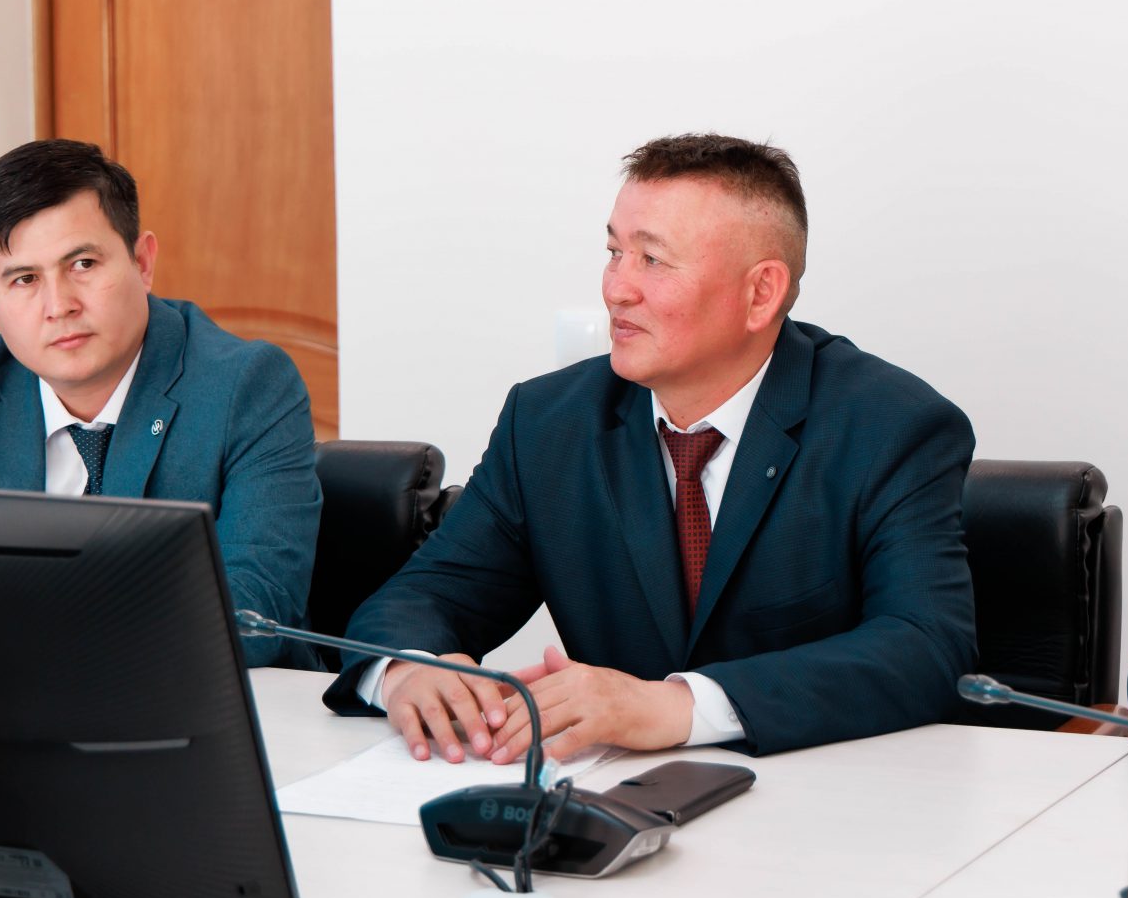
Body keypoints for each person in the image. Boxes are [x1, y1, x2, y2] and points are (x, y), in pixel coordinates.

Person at [325, 134, 977, 759]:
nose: (616, 288)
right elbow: (425, 598)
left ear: (761, 292)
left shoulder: (890, 426)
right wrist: (407, 671)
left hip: (827, 803)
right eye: (614, 251)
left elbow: (927, 647)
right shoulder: (549, 423)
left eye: (653, 260)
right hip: (607, 801)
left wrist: (680, 706)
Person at [0, 140, 322, 668]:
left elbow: (256, 607)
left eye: (82, 263)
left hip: (195, 698)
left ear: (142, 262)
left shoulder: (246, 385)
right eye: (24, 279)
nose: (59, 306)